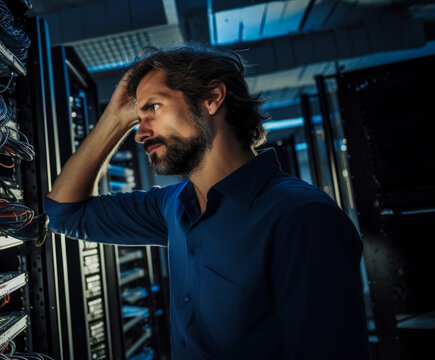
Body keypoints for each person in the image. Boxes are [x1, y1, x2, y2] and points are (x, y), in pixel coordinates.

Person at [44, 44, 369, 359]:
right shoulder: (172, 206)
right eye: (137, 118)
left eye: (153, 108)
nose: (140, 133)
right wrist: (115, 119)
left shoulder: (302, 218)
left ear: (212, 98)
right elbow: (64, 213)